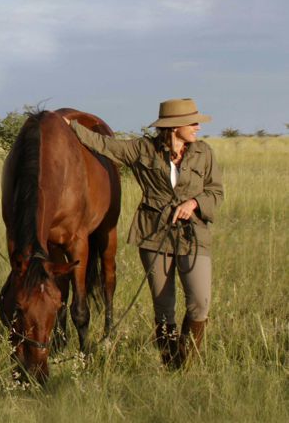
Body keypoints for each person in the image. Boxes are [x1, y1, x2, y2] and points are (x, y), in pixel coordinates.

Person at [63, 98, 224, 369]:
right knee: (164, 307)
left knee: (200, 303)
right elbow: (104, 145)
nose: (198, 126)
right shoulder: (142, 149)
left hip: (193, 236)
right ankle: (172, 365)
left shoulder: (204, 153)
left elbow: (216, 192)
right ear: (174, 127)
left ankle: (187, 358)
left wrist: (193, 203)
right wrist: (71, 126)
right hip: (154, 235)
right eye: (192, 122)